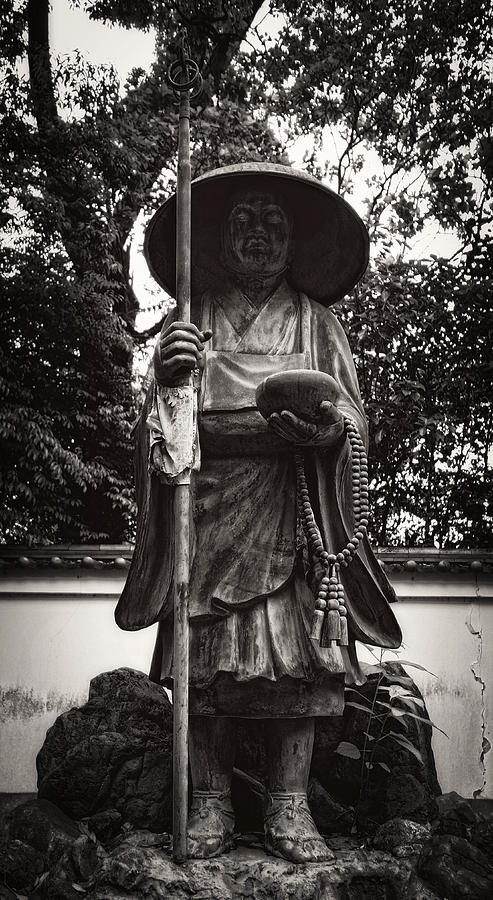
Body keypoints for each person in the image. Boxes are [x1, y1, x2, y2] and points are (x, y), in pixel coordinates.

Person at [116, 163, 401, 862]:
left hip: (294, 503)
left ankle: (289, 805)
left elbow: (354, 418)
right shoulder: (190, 319)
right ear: (217, 236)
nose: (259, 234)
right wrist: (168, 379)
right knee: (209, 663)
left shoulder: (316, 321)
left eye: (274, 222)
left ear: (295, 240)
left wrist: (332, 433)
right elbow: (158, 430)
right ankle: (209, 802)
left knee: (299, 662)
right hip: (208, 511)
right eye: (243, 219)